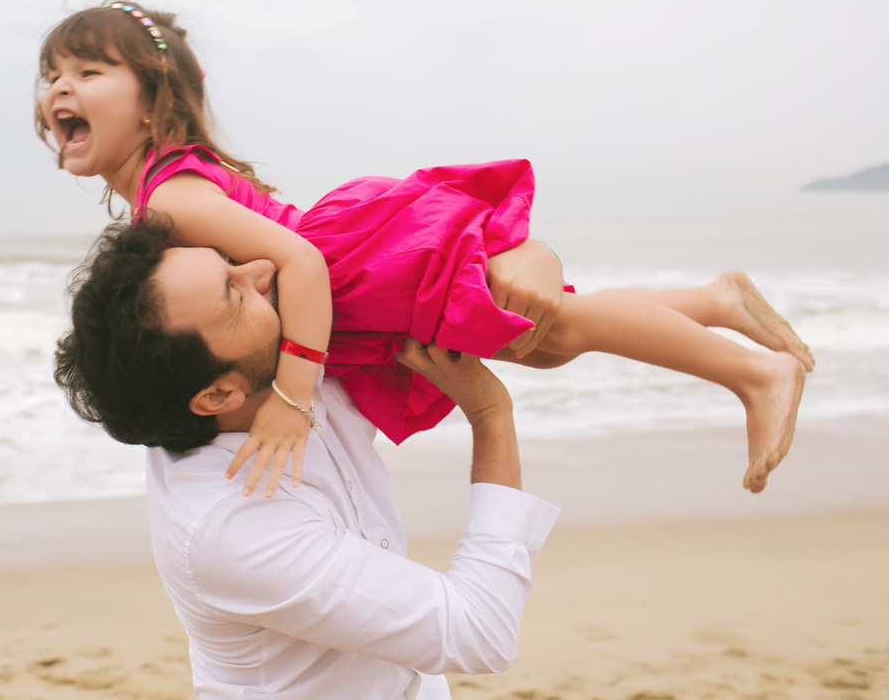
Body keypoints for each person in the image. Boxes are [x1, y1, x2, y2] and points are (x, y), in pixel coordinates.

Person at [36, 0, 814, 495]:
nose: (59, 89)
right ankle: (713, 301)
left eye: (87, 71)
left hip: (356, 269)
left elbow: (299, 263)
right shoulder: (164, 186)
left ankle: (753, 374)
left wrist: (291, 401)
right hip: (358, 268)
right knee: (550, 333)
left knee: (553, 333)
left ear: (155, 101)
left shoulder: (169, 197)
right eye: (50, 76)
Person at [54, 220, 560, 699]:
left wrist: (536, 256)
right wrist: (490, 414)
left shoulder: (286, 362)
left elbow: (430, 236)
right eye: (235, 294)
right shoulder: (234, 527)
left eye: (229, 261)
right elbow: (479, 633)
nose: (263, 270)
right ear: (219, 395)